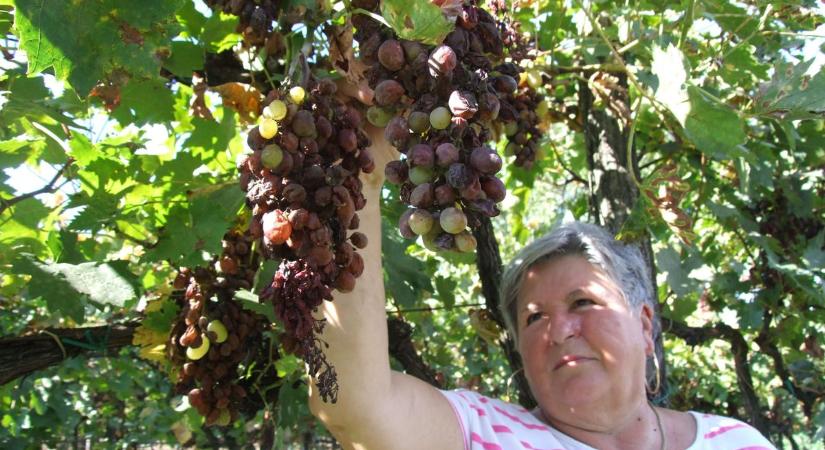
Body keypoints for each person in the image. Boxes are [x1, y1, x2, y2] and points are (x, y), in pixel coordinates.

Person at [306, 93, 777, 450]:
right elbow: (354, 404)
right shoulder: (481, 433)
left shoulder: (737, 441)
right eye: (533, 318)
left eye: (583, 302)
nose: (558, 330)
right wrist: (357, 173)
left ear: (645, 322)